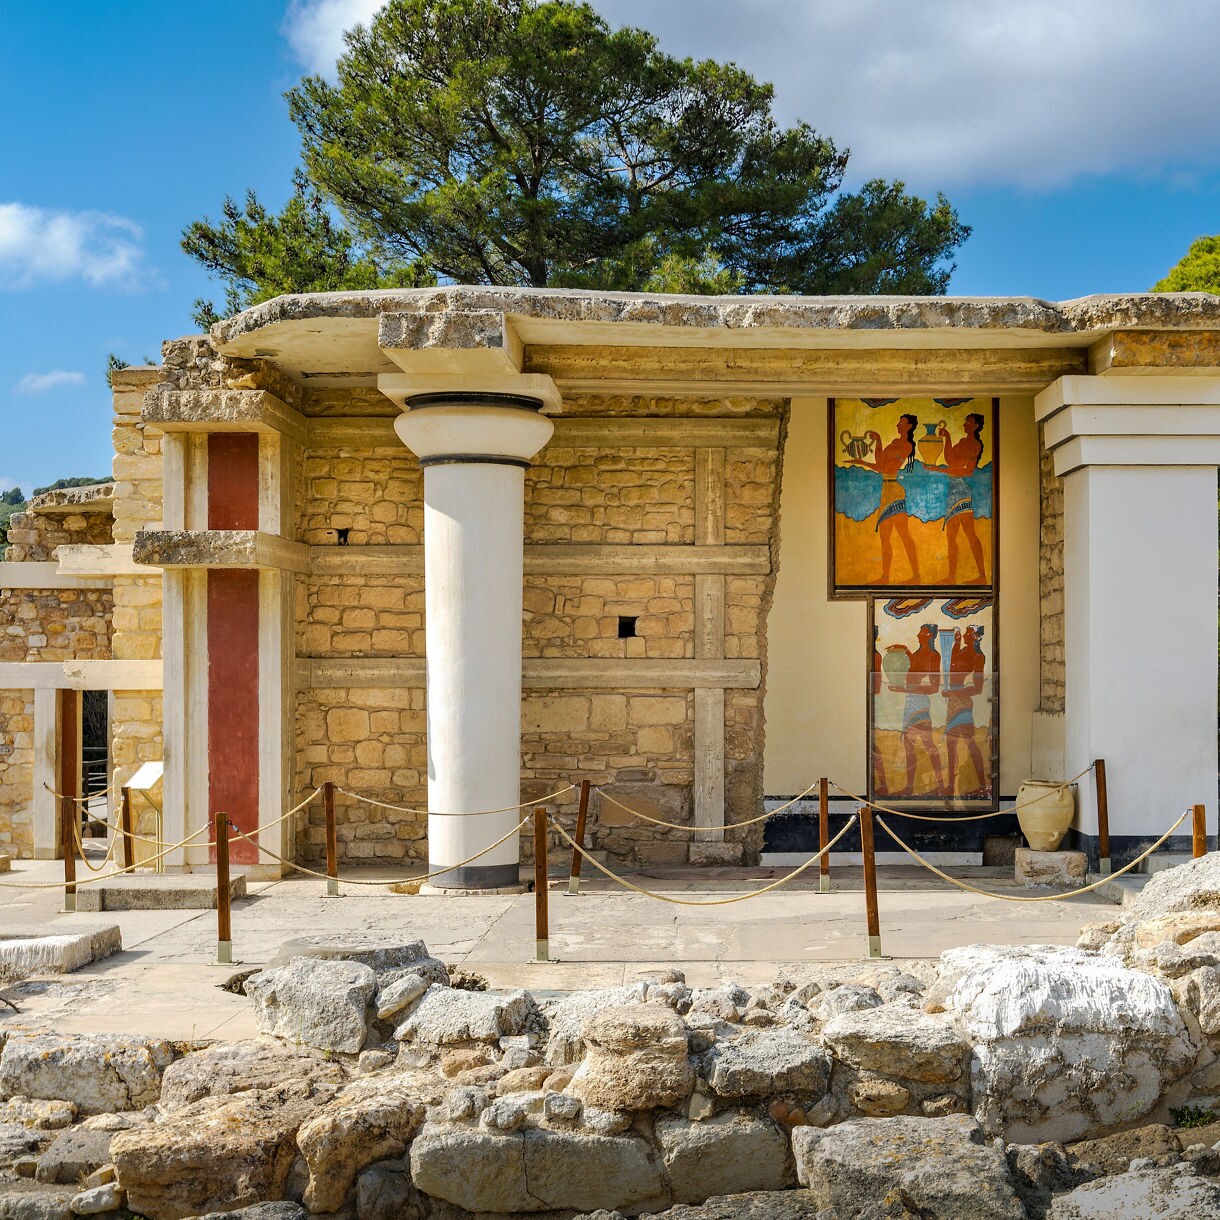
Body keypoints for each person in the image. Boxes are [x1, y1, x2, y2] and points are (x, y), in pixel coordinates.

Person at [849, 413, 922, 584]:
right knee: (885, 537)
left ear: (909, 426)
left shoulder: (906, 446)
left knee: (904, 535)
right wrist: (877, 443)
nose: (897, 425)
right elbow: (880, 462)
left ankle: (916, 577)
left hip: (895, 491)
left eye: (901, 423)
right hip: (886, 490)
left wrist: (865, 462)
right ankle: (885, 577)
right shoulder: (894, 443)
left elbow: (886, 468)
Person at [886, 623, 946, 797]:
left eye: (923, 632)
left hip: (920, 703)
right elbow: (912, 670)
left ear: (930, 636)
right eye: (920, 631)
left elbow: (934, 687)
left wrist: (904, 689)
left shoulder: (934, 655)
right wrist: (905, 650)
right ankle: (910, 787)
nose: (919, 634)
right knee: (909, 746)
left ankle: (940, 786)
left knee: (928, 745)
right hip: (910, 702)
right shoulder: (918, 654)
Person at [935, 412, 987, 584]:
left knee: (970, 534)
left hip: (962, 491)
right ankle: (951, 576)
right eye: (965, 421)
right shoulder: (963, 442)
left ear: (976, 426)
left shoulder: (975, 445)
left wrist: (937, 469)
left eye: (969, 422)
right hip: (952, 490)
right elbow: (950, 459)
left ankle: (982, 576)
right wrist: (947, 437)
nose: (965, 424)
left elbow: (968, 471)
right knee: (951, 537)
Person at [942, 624, 990, 798]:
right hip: (953, 702)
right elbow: (952, 667)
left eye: (969, 633)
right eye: (966, 633)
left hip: (962, 702)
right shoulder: (962, 651)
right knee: (951, 745)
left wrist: (953, 692)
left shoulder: (978, 657)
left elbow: (977, 688)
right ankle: (950, 786)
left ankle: (983, 786)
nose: (965, 635)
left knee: (970, 743)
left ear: (977, 637)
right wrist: (955, 643)